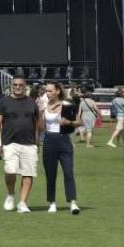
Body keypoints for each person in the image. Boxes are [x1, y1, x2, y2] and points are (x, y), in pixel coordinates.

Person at [0, 78, 40, 212]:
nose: (18, 87)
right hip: (9, 142)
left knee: (28, 173)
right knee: (10, 171)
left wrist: (37, 144)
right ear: (11, 86)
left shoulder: (32, 103)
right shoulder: (3, 102)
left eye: (21, 85)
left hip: (29, 143)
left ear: (25, 87)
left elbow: (36, 124)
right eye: (15, 85)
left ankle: (22, 202)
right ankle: (10, 194)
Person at [40, 84, 80, 214]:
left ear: (57, 91)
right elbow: (41, 128)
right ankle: (52, 202)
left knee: (68, 171)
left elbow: (79, 122)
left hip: (64, 140)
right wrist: (40, 113)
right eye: (46, 91)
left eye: (50, 91)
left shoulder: (66, 105)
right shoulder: (44, 106)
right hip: (49, 140)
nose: (48, 93)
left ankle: (73, 202)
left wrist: (69, 122)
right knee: (50, 174)